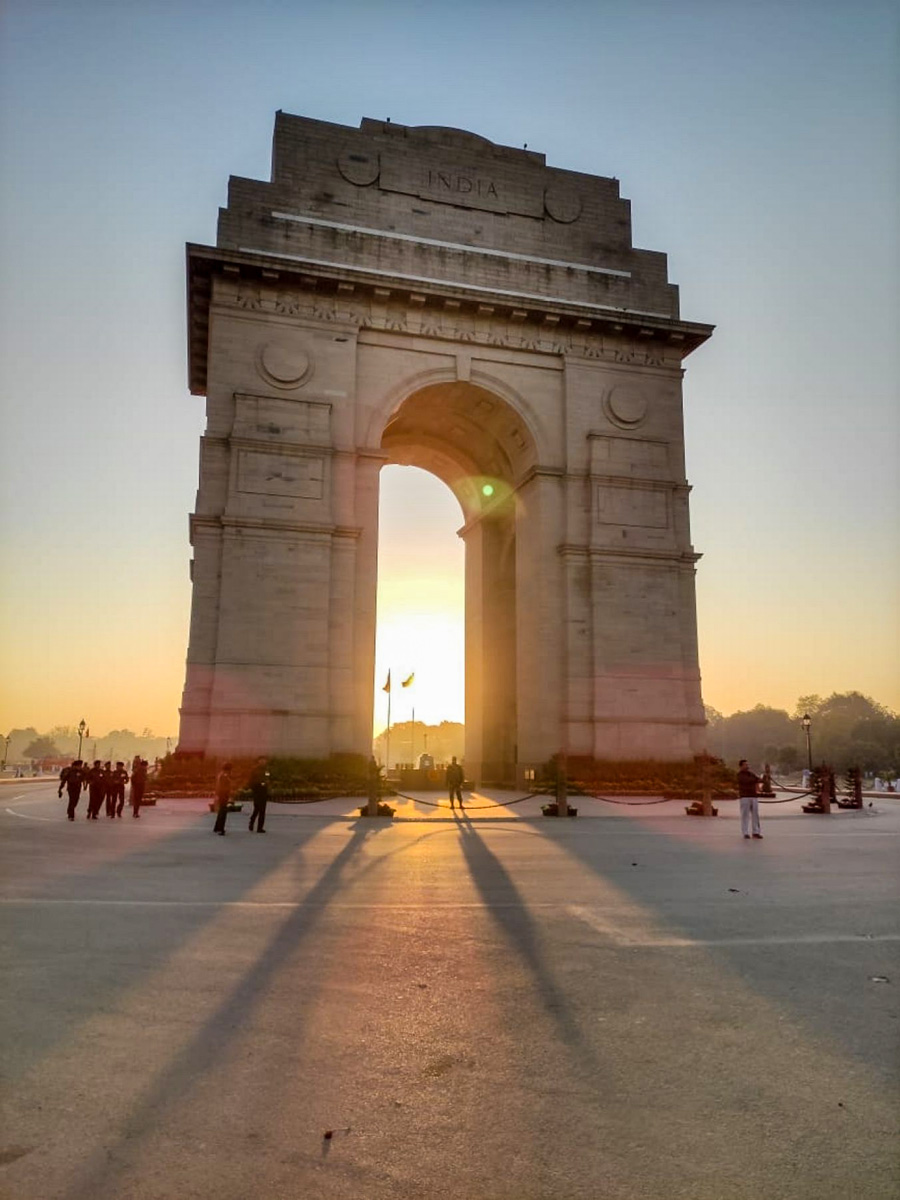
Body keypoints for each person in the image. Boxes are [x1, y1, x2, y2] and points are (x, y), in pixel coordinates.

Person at [737, 758, 762, 839]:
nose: (747, 766)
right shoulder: (740, 775)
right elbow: (747, 781)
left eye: (748, 764)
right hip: (744, 797)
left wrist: (756, 780)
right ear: (741, 766)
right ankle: (745, 832)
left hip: (753, 796)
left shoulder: (751, 774)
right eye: (745, 765)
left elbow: (758, 779)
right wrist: (755, 780)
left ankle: (756, 832)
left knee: (755, 815)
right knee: (745, 815)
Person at [248, 757, 269, 832]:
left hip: (264, 791)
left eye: (264, 760)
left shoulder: (266, 770)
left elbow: (267, 778)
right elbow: (251, 780)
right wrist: (254, 787)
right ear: (259, 761)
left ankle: (260, 827)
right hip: (257, 790)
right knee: (257, 808)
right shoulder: (254, 770)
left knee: (262, 810)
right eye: (262, 760)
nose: (263, 762)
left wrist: (266, 784)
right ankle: (252, 821)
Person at [213, 762, 232, 835]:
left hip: (221, 795)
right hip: (224, 795)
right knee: (223, 813)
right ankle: (221, 829)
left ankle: (217, 827)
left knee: (221, 812)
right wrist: (228, 795)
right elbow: (224, 787)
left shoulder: (221, 774)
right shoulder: (224, 776)